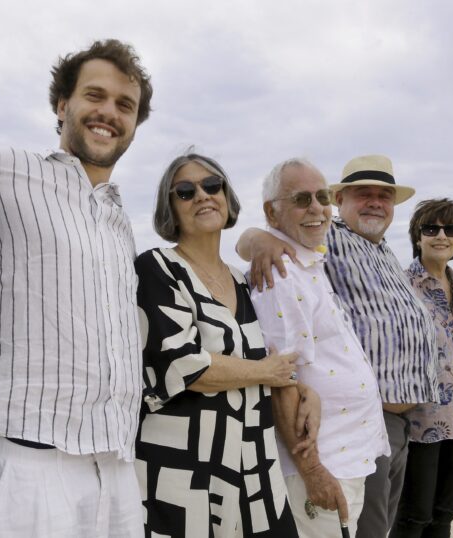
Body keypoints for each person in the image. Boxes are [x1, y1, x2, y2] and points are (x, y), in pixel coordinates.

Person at [0, 39, 153, 537]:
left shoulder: (119, 217)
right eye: (94, 96)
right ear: (62, 105)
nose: (109, 113)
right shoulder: (4, 170)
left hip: (116, 464)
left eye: (125, 105)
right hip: (29, 461)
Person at [237, 154, 438, 538]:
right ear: (343, 200)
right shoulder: (306, 253)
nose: (315, 208)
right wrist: (257, 238)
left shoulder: (369, 253)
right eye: (364, 194)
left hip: (372, 436)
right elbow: (282, 377)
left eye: (385, 195)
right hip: (331, 450)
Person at [135, 151, 305, 537]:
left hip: (254, 465)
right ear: (169, 207)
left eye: (212, 185)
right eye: (185, 191)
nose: (202, 195)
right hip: (185, 470)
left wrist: (297, 384)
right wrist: (266, 372)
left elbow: (278, 360)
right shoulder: (157, 268)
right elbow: (182, 363)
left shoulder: (243, 281)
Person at [249, 158, 390, 537]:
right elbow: (282, 379)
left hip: (346, 454)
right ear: (272, 212)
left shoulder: (308, 263)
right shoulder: (280, 273)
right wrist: (312, 471)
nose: (316, 208)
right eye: (301, 199)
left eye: (322, 197)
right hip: (324, 461)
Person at [390, 199, 453, 538]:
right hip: (418, 420)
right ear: (417, 237)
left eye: (451, 229)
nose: (441, 236)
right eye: (431, 228)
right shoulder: (399, 285)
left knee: (445, 514)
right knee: (413, 516)